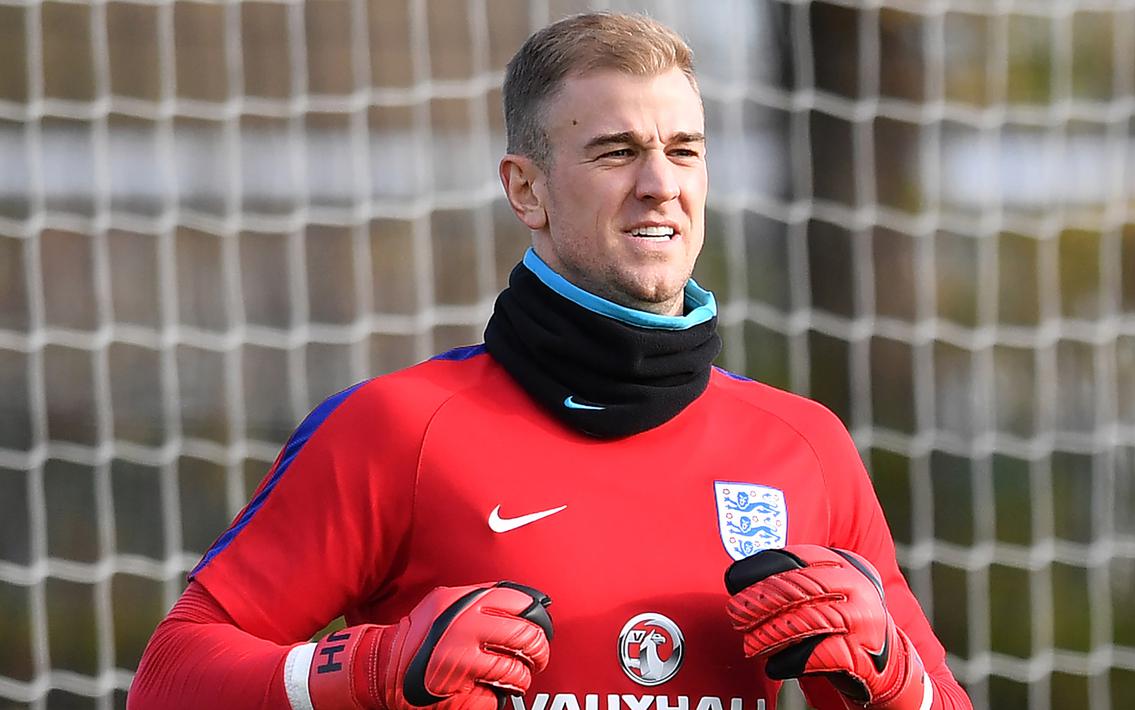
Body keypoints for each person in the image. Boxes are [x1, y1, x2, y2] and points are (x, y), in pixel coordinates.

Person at [128, 12, 973, 710]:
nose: (659, 183)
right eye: (615, 152)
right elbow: (169, 679)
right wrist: (372, 672)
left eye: (683, 150)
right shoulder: (399, 428)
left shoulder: (802, 444)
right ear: (524, 189)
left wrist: (897, 680)